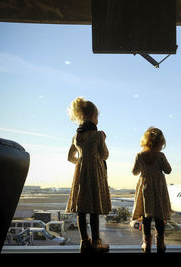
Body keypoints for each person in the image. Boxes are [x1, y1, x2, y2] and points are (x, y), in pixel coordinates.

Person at [66, 96, 111, 253]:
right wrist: (103, 139)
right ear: (92, 116)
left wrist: (80, 164)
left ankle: (84, 242)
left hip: (81, 173)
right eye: (97, 116)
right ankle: (96, 243)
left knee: (82, 209)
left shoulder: (76, 137)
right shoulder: (98, 135)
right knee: (94, 209)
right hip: (94, 174)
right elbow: (104, 155)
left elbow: (70, 157)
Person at [131, 127, 172, 253]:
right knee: (159, 217)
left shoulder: (140, 155)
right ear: (160, 143)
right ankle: (160, 243)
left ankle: (146, 244)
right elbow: (168, 170)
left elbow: (134, 172)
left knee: (146, 217)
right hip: (158, 190)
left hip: (145, 189)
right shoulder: (160, 156)